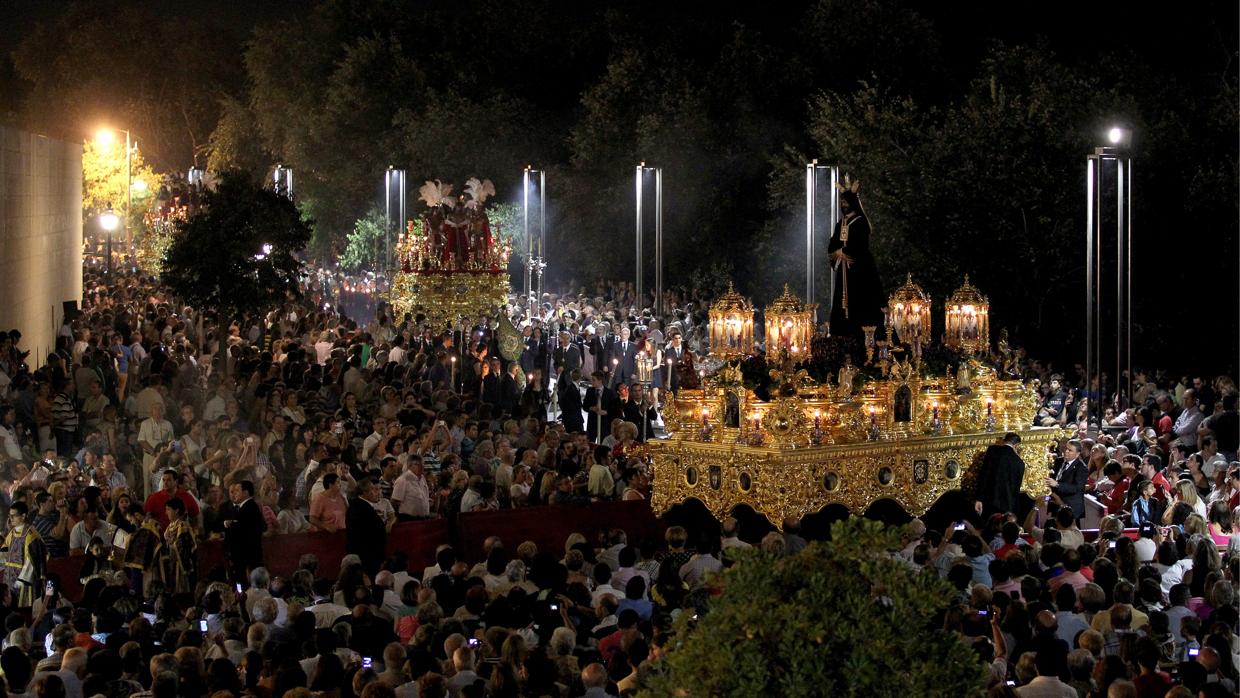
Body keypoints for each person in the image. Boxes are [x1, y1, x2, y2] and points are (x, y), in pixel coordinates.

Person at [826, 176, 884, 339]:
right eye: (842, 202)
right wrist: (838, 253)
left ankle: (864, 336)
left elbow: (861, 245)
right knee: (841, 303)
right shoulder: (841, 223)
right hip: (844, 269)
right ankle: (842, 334)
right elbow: (832, 244)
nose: (843, 205)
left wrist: (846, 251)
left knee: (861, 302)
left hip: (860, 270)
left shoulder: (860, 222)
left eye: (846, 202)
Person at [2, 502, 47, 608]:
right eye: (9, 515)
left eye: (14, 516)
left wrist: (22, 580)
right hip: (9, 577)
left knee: (23, 606)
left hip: (24, 580)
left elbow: (32, 561)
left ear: (23, 516)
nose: (10, 518)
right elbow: (4, 551)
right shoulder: (12, 532)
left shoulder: (31, 535)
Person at [223, 480, 265, 586]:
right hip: (246, 555)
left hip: (246, 555)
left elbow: (246, 528)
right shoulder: (245, 507)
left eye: (237, 490)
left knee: (244, 582)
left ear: (245, 493)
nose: (235, 493)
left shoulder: (249, 507)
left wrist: (232, 524)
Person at [975, 432, 1026, 518]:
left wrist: (979, 499)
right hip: (1007, 505)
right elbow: (1016, 489)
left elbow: (984, 476)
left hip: (989, 501)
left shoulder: (992, 450)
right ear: (1017, 445)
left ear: (1003, 441)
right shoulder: (1019, 463)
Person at [346, 477, 389, 577]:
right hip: (368, 556)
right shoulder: (359, 507)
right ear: (365, 492)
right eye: (373, 490)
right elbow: (369, 533)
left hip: (368, 555)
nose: (376, 493)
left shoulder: (361, 506)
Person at [158, 497, 197, 594]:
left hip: (179, 565)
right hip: (170, 563)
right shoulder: (170, 526)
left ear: (176, 510)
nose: (166, 513)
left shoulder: (182, 526)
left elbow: (185, 546)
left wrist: (172, 544)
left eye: (168, 509)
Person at [1048, 439, 1089, 521]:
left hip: (1071, 508)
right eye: (1066, 448)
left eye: (1070, 450)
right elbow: (1053, 477)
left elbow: (1076, 488)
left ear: (1077, 454)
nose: (1066, 451)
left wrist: (1057, 484)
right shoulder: (1059, 461)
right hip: (1056, 504)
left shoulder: (1081, 468)